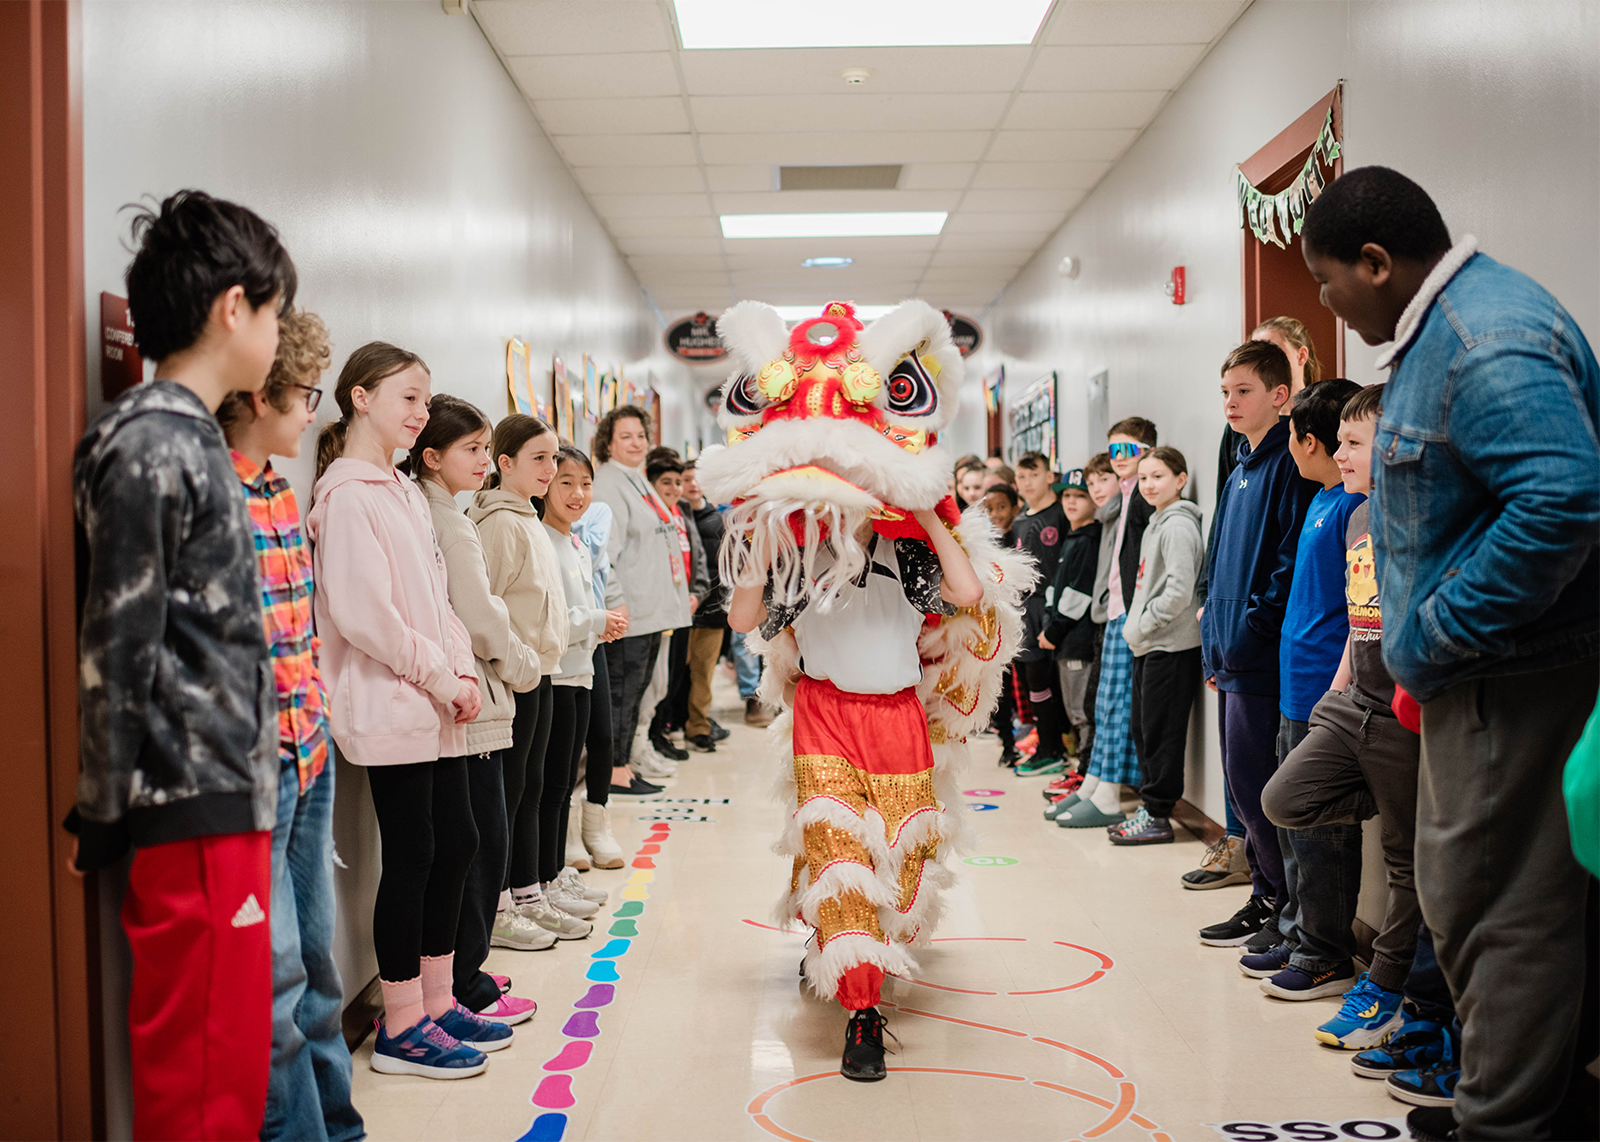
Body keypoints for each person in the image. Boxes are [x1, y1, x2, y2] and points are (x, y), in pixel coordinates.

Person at [1303, 165, 1600, 1141]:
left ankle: (1500, 1121)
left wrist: (1432, 632)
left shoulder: (1484, 337)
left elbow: (1560, 500)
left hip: (1509, 677)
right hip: (1474, 675)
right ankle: (1509, 1098)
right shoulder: (1447, 331)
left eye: (1329, 282)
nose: (1328, 305)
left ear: (1377, 261)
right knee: (1470, 896)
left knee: (1493, 905)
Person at [69, 190, 292, 1139]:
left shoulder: (192, 438)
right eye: (276, 314)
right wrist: (102, 804)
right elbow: (118, 643)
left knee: (229, 1072)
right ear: (233, 307)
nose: (278, 338)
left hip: (223, 797)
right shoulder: (156, 441)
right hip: (186, 804)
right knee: (200, 1084)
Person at [308, 342, 511, 1078]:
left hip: (436, 699)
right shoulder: (349, 494)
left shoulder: (398, 489)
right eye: (409, 399)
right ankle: (400, 1026)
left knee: (455, 842)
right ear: (361, 398)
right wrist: (439, 674)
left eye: (427, 402)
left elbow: (438, 601)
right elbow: (368, 616)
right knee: (415, 854)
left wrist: (461, 670)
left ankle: (436, 998)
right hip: (393, 702)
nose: (421, 414)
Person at [728, 507, 986, 1080]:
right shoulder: (800, 551)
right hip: (823, 718)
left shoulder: (908, 548)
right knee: (837, 852)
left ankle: (847, 943)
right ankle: (863, 1011)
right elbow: (743, 615)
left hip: (899, 719)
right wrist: (772, 535)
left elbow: (966, 590)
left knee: (896, 857)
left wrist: (924, 513)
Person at [1258, 386, 1441, 1077]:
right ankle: (1379, 798)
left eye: (1354, 444)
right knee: (1284, 798)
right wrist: (1338, 686)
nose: (1340, 454)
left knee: (1406, 864)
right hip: (1350, 701)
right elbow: (1356, 615)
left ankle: (1385, 988)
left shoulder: (1421, 520)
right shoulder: (1357, 514)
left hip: (1401, 716)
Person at [216, 308, 363, 1140]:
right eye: (307, 394)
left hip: (311, 749)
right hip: (259, 763)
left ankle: (339, 1126)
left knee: (317, 968)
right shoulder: (216, 486)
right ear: (259, 393)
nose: (314, 412)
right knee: (271, 980)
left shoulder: (277, 486)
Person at [410, 395, 550, 1013]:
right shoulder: (454, 520)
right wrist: (522, 664)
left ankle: (465, 975)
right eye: (472, 449)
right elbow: (481, 611)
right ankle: (462, 981)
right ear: (433, 457)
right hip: (477, 694)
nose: (481, 461)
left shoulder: (449, 510)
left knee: (476, 841)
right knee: (477, 844)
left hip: (481, 694)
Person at [1235, 377, 1368, 981]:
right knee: (1289, 822)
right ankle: (1295, 927)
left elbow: (1359, 611)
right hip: (1293, 686)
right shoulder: (1318, 500)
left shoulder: (1351, 508)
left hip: (1327, 690)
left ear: (1306, 441)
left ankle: (1324, 950)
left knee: (1323, 831)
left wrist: (1339, 685)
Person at [1196, 340, 1318, 947]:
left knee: (1260, 785)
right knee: (1241, 786)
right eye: (1224, 392)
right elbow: (1220, 561)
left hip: (1260, 656)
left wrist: (1248, 630)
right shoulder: (1241, 462)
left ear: (1279, 395)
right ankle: (1265, 896)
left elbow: (1285, 563)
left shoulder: (1289, 464)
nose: (1230, 402)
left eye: (1242, 391)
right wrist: (1213, 637)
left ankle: (1283, 904)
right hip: (1228, 652)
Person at [468, 415, 595, 939]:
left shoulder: (527, 517)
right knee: (513, 792)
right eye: (539, 460)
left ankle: (530, 891)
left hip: (542, 671)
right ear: (505, 464)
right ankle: (502, 908)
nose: (550, 470)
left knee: (534, 785)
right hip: (513, 676)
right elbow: (484, 608)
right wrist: (516, 663)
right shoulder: (498, 523)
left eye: (553, 458)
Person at [1058, 419, 1158, 828]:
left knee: (1117, 705)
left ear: (1146, 451)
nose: (1119, 459)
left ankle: (1109, 794)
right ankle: (1095, 784)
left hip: (1129, 611)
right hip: (1115, 609)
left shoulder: (1141, 496)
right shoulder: (1120, 499)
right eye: (1113, 450)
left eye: (1127, 450)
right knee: (1103, 703)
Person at [541, 446, 623, 909]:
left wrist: (601, 620)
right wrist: (595, 620)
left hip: (583, 664)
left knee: (580, 761)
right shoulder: (540, 538)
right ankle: (546, 879)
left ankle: (560, 870)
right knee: (554, 782)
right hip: (555, 671)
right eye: (566, 482)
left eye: (585, 484)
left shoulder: (577, 540)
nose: (577, 493)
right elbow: (549, 615)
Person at [1109, 447, 1204, 846]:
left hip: (1170, 645)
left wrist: (1143, 626)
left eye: (1158, 476)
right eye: (1144, 478)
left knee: (1162, 735)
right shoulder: (1156, 523)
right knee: (1145, 731)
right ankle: (1151, 809)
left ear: (1180, 480)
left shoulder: (1179, 526)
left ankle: (1159, 815)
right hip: (1149, 644)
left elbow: (1180, 592)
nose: (1149, 485)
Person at [592, 406, 692, 784]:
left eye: (640, 436)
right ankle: (616, 772)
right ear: (608, 443)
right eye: (625, 437)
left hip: (651, 611)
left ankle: (627, 763)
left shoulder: (636, 479)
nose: (636, 443)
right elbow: (604, 554)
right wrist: (615, 603)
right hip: (628, 614)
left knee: (639, 695)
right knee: (622, 695)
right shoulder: (608, 484)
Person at [1038, 469, 1103, 810]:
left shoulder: (1090, 540)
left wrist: (1053, 629)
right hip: (1064, 642)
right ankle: (1080, 769)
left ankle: (1085, 773)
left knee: (1081, 712)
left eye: (1080, 496)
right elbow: (1055, 588)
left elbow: (1079, 595)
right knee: (1072, 711)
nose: (1072, 502)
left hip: (1077, 642)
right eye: (1067, 496)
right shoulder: (1073, 537)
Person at [643, 449, 709, 769]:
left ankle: (659, 735)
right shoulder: (650, 513)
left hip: (684, 609)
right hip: (659, 611)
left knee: (671, 679)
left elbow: (696, 557)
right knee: (655, 681)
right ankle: (650, 738)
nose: (674, 489)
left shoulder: (682, 512)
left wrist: (697, 593)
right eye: (666, 483)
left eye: (677, 482)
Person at [1011, 452, 1072, 777]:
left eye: (1033, 475)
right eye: (1021, 477)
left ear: (1049, 476)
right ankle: (1047, 745)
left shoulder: (1061, 513)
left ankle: (1057, 746)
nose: (1026, 483)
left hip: (1055, 609)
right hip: (1025, 608)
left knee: (1058, 681)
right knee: (1033, 682)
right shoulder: (1020, 519)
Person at [681, 457, 730, 752]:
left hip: (712, 612)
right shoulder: (673, 517)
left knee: (703, 674)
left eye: (697, 479)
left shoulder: (719, 520)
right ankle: (673, 722)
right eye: (686, 479)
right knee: (674, 674)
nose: (692, 484)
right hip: (680, 612)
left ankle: (699, 727)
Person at [984, 483, 1025, 766]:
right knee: (1001, 683)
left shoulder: (1020, 537)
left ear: (1015, 508)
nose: (995, 514)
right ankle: (1007, 742)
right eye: (989, 508)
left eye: (1001, 507)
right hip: (993, 623)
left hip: (1022, 620)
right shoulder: (983, 542)